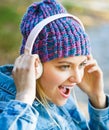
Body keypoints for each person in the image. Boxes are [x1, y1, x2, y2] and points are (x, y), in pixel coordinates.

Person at [0, 0, 109, 129]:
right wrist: (24, 98)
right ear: (34, 65)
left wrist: (98, 99)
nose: (78, 78)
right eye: (65, 66)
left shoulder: (61, 100)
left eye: (81, 64)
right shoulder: (6, 109)